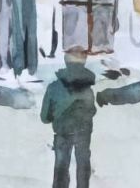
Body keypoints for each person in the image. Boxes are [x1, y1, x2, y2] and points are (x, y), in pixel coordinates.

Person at [41, 52, 97, 188]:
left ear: (66, 63)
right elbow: (92, 111)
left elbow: (44, 118)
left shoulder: (53, 87)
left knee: (61, 167)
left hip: (63, 132)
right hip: (83, 132)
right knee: (83, 165)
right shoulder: (88, 89)